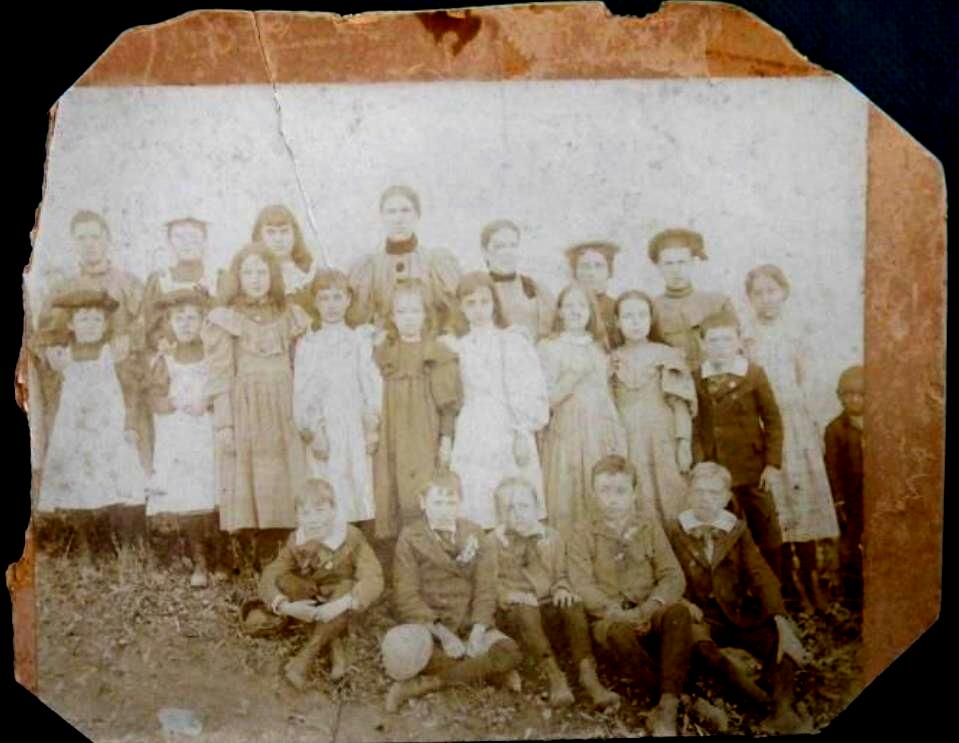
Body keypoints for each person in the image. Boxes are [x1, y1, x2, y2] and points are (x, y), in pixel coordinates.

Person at [666, 463, 808, 734]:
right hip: (699, 615)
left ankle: (783, 709)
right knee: (703, 651)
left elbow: (760, 572)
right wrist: (683, 603)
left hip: (736, 612)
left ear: (726, 497)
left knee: (780, 640)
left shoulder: (736, 529)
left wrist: (779, 617)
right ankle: (759, 700)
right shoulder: (675, 529)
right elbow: (666, 574)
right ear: (688, 494)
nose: (705, 499)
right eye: (698, 492)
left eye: (713, 493)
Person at [202, 243, 311, 568]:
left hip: (285, 407)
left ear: (273, 275)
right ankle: (254, 556)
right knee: (252, 478)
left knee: (285, 475)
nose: (255, 278)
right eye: (247, 272)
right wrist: (224, 423)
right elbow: (221, 375)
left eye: (262, 271)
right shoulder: (226, 319)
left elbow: (301, 367)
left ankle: (283, 548)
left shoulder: (290, 315)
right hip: (246, 408)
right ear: (237, 276)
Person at [567, 456, 692, 736]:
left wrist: (650, 607)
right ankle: (672, 698)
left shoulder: (648, 527)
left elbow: (673, 575)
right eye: (604, 490)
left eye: (621, 491)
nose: (612, 499)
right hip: (610, 617)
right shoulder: (582, 532)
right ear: (593, 493)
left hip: (650, 608)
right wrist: (615, 611)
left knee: (678, 613)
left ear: (634, 493)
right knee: (618, 633)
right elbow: (581, 584)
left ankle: (667, 708)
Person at [382, 471, 522, 711]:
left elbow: (485, 588)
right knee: (403, 651)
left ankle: (427, 684)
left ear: (460, 503)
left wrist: (478, 632)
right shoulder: (410, 537)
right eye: (437, 502)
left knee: (510, 652)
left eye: (451, 502)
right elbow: (407, 596)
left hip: (468, 623)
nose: (445, 510)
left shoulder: (476, 533)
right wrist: (444, 636)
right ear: (423, 503)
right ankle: (485, 671)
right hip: (431, 627)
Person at [743, 265, 839, 612]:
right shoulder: (747, 337)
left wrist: (808, 418)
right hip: (766, 426)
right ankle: (788, 583)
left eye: (771, 290)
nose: (766, 298)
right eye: (758, 293)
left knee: (803, 499)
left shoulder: (797, 331)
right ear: (750, 298)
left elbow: (807, 378)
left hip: (795, 423)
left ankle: (812, 577)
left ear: (783, 292)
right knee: (777, 502)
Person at [33, 210, 153, 474]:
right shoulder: (62, 289)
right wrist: (49, 353)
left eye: (95, 237)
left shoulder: (129, 284)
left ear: (108, 240)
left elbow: (149, 325)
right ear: (73, 243)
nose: (89, 244)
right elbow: (43, 337)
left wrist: (129, 342)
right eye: (81, 238)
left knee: (125, 462)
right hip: (79, 385)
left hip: (123, 381)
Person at [36, 289, 147, 572]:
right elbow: (52, 397)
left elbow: (132, 392)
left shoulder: (115, 353)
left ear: (106, 324)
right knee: (79, 487)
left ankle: (124, 544)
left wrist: (131, 424)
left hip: (111, 430)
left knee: (122, 483)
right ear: (71, 324)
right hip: (77, 432)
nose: (90, 325)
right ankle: (86, 546)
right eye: (83, 319)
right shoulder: (63, 356)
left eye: (96, 320)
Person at [489, 477, 620, 709]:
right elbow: (490, 581)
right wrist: (509, 595)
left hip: (548, 611)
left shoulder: (552, 537)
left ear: (537, 509)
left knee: (572, 603)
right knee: (525, 610)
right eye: (509, 508)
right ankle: (554, 676)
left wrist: (561, 589)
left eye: (524, 506)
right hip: (517, 616)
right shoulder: (494, 542)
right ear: (500, 514)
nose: (517, 514)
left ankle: (587, 674)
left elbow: (561, 574)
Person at [252, 479, 384, 690]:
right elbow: (270, 574)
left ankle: (307, 655)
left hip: (343, 603)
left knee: (348, 586)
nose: (313, 520)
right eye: (305, 514)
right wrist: (286, 606)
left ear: (334, 510)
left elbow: (374, 577)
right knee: (284, 579)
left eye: (320, 510)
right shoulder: (296, 540)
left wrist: (341, 605)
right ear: (297, 517)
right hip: (313, 600)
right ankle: (333, 643)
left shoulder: (351, 536)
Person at [442, 272, 550, 529]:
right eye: (471, 303)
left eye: (484, 302)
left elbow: (529, 389)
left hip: (507, 427)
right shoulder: (458, 346)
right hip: (473, 428)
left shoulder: (511, 340)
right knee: (477, 499)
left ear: (494, 303)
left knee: (513, 498)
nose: (478, 310)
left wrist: (522, 433)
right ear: (461, 307)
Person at [692, 310, 785, 580]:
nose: (720, 347)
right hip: (716, 471)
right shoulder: (698, 377)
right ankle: (734, 588)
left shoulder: (753, 374)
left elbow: (773, 420)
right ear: (703, 344)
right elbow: (696, 425)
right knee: (724, 530)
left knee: (766, 530)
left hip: (752, 469)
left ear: (739, 342)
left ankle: (776, 587)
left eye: (727, 340)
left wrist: (771, 464)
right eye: (713, 341)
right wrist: (701, 463)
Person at [372, 279, 463, 542]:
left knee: (422, 488)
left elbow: (448, 406)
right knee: (391, 489)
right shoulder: (383, 352)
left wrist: (445, 440)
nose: (408, 318)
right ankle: (399, 560)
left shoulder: (437, 351)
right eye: (401, 312)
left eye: (414, 311)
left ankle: (428, 551)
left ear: (425, 314)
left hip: (425, 433)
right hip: (392, 434)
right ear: (392, 316)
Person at [293, 270, 382, 537]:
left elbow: (370, 386)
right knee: (329, 482)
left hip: (354, 425)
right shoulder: (309, 344)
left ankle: (360, 546)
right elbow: (304, 393)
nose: (331, 305)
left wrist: (372, 426)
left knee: (360, 484)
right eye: (324, 299)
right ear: (315, 303)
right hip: (326, 429)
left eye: (337, 297)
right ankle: (330, 545)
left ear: (348, 300)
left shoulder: (358, 341)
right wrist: (314, 432)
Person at [146, 287, 223, 588]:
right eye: (180, 318)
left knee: (211, 495)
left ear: (204, 321)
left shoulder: (212, 355)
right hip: (178, 434)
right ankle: (198, 560)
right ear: (169, 322)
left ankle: (220, 558)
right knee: (189, 498)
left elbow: (222, 386)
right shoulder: (165, 359)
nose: (187, 324)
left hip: (206, 430)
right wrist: (173, 403)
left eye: (193, 318)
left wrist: (207, 402)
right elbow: (154, 395)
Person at [537, 283, 626, 539]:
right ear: (560, 311)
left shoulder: (599, 348)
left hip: (600, 429)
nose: (576, 311)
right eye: (569, 305)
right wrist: (572, 378)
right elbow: (546, 399)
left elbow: (606, 393)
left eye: (582, 305)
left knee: (600, 487)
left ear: (590, 312)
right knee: (568, 493)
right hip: (567, 430)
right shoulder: (549, 347)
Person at [611, 290, 697, 527]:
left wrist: (683, 444)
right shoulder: (612, 358)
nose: (636, 322)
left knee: (670, 495)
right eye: (628, 316)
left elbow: (679, 405)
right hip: (627, 438)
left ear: (651, 319)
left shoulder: (666, 355)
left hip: (663, 438)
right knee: (637, 497)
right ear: (617, 321)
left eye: (642, 315)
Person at [348, 185, 462, 331]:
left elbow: (453, 314)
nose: (398, 219)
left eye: (405, 210)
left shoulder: (436, 263)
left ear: (417, 215)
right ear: (382, 217)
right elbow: (357, 317)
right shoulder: (368, 267)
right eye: (391, 212)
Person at [647, 228, 737, 371]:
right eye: (668, 264)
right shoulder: (650, 309)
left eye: (682, 262)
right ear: (658, 267)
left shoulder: (718, 303)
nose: (676, 269)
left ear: (693, 263)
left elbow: (737, 351)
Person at [142, 216, 217, 354]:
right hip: (171, 360)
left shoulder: (219, 278)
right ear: (170, 241)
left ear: (204, 240)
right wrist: (159, 341)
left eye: (193, 236)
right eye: (179, 237)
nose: (186, 243)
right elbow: (148, 326)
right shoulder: (159, 280)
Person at [824, 365, 864, 613]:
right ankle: (852, 599)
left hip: (876, 495)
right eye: (848, 395)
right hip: (850, 499)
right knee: (850, 546)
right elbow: (833, 469)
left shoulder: (881, 421)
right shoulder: (835, 429)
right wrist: (839, 501)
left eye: (861, 395)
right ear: (840, 397)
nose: (855, 400)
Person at [479, 219, 555, 342]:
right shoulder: (479, 289)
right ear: (485, 252)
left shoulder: (534, 288)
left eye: (513, 245)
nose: (507, 252)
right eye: (499, 246)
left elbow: (553, 331)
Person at [250, 204, 317, 323]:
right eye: (271, 232)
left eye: (284, 231)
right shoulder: (252, 276)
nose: (278, 239)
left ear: (295, 235)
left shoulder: (309, 274)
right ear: (259, 236)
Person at [564, 240, 621, 344]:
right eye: (585, 267)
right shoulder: (566, 308)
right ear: (575, 272)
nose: (591, 273)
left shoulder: (618, 308)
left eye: (598, 266)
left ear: (610, 271)